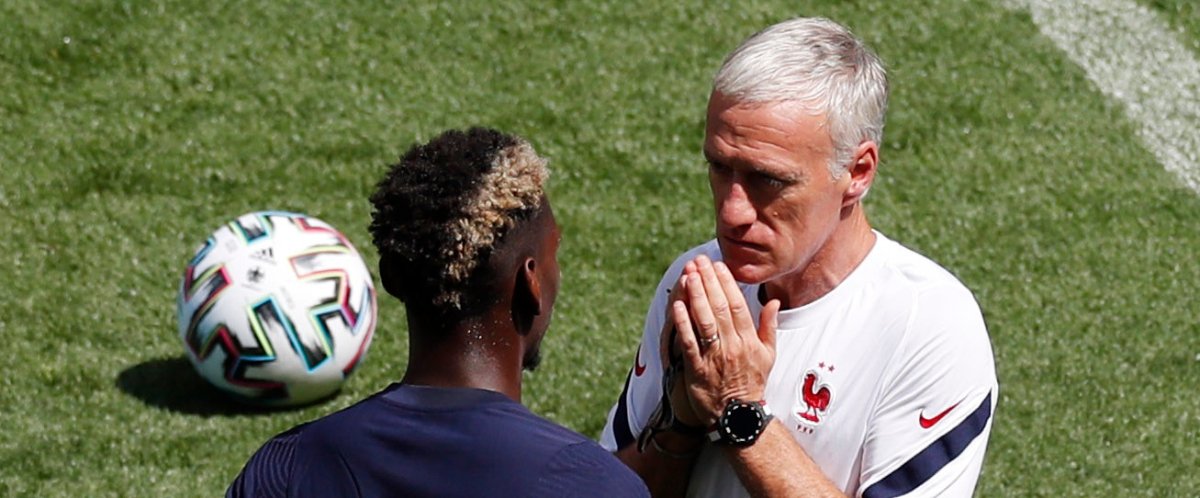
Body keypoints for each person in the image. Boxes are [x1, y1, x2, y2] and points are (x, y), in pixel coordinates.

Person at [600, 17, 998, 498]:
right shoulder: (699, 285)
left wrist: (737, 411)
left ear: (858, 172)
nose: (732, 212)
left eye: (769, 180)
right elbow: (606, 489)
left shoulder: (929, 328)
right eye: (720, 167)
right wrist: (679, 420)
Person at [228, 127, 650, 498]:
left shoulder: (284, 471)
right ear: (530, 283)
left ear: (391, 278)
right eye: (554, 253)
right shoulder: (591, 484)